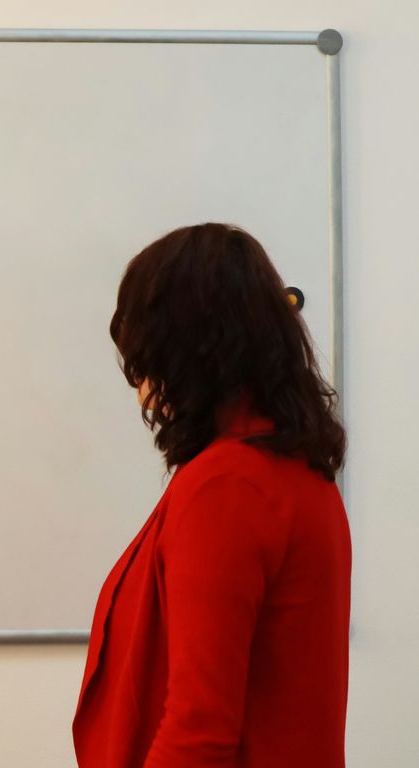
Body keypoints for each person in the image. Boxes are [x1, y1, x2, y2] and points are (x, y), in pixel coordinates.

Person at [73, 224, 351, 766]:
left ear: (182, 348)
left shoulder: (228, 487)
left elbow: (200, 730)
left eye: (145, 353)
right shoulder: (293, 469)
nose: (141, 389)